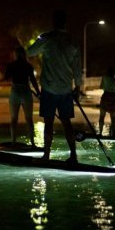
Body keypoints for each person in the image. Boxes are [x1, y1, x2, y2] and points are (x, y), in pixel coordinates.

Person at [27, 9, 82, 163]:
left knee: (49, 123)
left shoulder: (47, 38)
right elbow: (77, 68)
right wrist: (77, 88)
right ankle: (73, 156)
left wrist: (39, 38)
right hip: (65, 89)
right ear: (65, 22)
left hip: (49, 89)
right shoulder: (72, 41)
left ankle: (46, 155)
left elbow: (30, 52)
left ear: (54, 22)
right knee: (67, 123)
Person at [4, 46, 41, 148]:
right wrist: (38, 93)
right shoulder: (28, 65)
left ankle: (13, 142)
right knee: (29, 119)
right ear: (24, 54)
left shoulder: (11, 65)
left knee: (13, 118)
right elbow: (33, 80)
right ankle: (33, 143)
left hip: (15, 91)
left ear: (15, 54)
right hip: (26, 91)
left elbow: (6, 77)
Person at [98, 67, 115, 137]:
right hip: (113, 97)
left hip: (106, 96)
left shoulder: (104, 78)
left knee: (102, 116)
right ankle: (114, 134)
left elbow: (100, 87)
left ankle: (100, 133)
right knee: (113, 117)